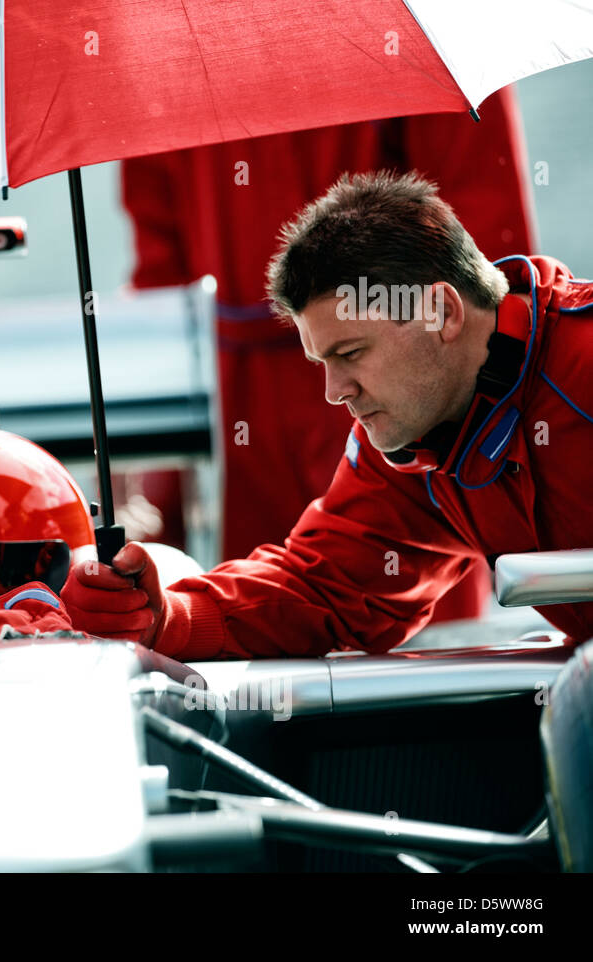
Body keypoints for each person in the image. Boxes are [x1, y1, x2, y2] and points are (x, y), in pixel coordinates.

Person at [62, 171, 593, 659]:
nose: (334, 392)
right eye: (321, 361)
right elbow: (320, 591)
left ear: (443, 312)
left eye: (350, 353)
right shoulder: (411, 451)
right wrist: (164, 618)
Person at [120, 88, 538, 622]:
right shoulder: (157, 39)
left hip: (394, 374)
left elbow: (486, 277)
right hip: (233, 392)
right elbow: (160, 272)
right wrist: (154, 485)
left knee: (425, 644)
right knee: (257, 648)